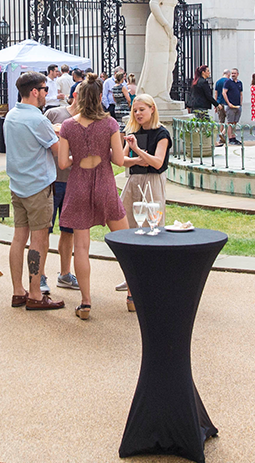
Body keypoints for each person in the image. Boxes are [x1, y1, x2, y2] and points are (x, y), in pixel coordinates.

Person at [57, 74, 129, 319]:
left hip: (78, 184)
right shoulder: (110, 124)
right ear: (100, 97)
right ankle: (132, 295)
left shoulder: (68, 126)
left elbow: (63, 163)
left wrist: (77, 155)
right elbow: (119, 160)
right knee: (126, 242)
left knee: (81, 247)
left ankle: (86, 303)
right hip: (105, 184)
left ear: (77, 96)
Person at [4, 71, 64, 311]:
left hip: (18, 184)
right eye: (45, 89)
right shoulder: (38, 120)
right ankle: (36, 294)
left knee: (19, 238)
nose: (46, 94)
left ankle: (18, 291)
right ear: (34, 92)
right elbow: (58, 151)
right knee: (39, 240)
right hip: (38, 186)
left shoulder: (11, 116)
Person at [117, 93, 171, 306]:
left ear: (152, 109)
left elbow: (157, 163)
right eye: (135, 110)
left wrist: (138, 152)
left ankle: (153, 279)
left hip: (153, 182)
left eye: (142, 109)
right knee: (130, 228)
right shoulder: (133, 132)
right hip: (134, 182)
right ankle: (132, 278)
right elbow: (122, 160)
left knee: (152, 228)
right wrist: (138, 159)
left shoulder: (162, 133)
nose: (138, 114)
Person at [44, 97, 78, 292]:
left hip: (73, 182)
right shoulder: (53, 113)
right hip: (51, 180)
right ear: (75, 96)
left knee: (68, 231)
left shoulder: (89, 120)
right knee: (43, 230)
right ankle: (40, 276)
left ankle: (65, 274)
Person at [222, 68, 243, 144]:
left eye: (234, 73)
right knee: (230, 122)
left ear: (238, 74)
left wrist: (240, 103)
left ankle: (234, 137)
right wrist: (228, 103)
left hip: (237, 105)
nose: (233, 75)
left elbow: (241, 93)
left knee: (235, 122)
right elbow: (224, 92)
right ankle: (230, 138)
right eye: (232, 73)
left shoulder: (239, 83)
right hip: (230, 106)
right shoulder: (228, 82)